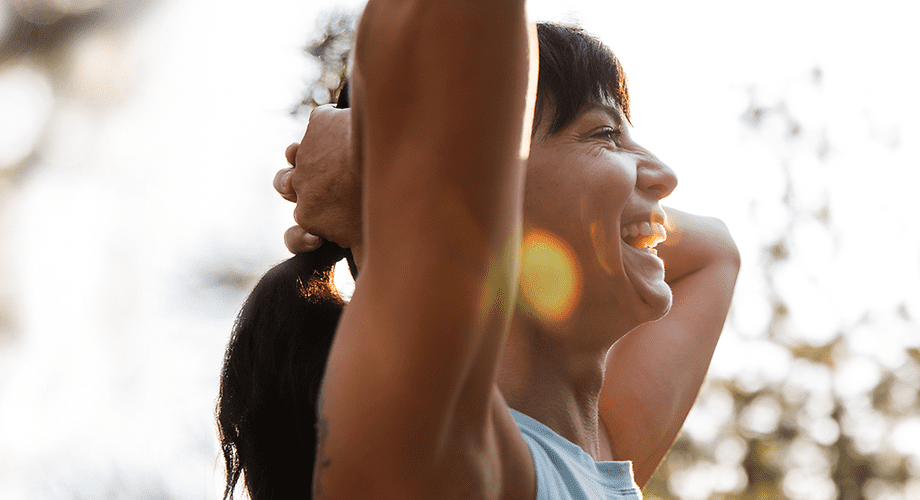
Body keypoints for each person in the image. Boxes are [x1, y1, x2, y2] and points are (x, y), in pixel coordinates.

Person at [220, 6, 739, 499]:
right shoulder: (444, 455)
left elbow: (714, 252)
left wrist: (381, 182)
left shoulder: (593, 457)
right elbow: (468, 24)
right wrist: (385, 179)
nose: (666, 176)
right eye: (605, 133)